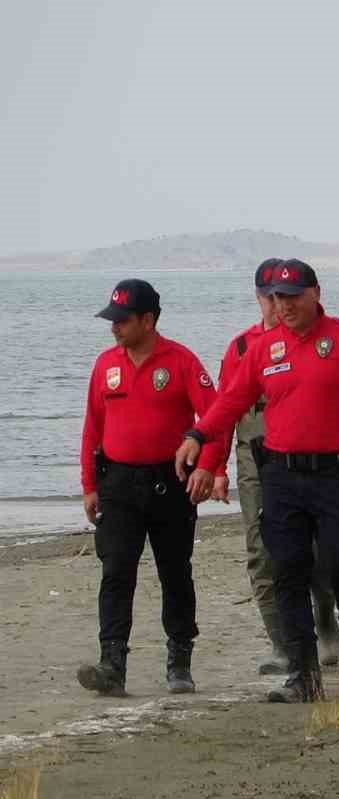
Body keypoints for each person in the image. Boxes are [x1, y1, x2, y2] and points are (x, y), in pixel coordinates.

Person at [177, 259, 339, 703]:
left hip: (336, 475)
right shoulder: (263, 349)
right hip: (280, 476)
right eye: (277, 298)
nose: (284, 306)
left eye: (293, 296)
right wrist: (198, 436)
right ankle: (303, 676)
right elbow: (231, 401)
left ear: (315, 292)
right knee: (287, 572)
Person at [77, 279, 223, 697]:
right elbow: (92, 428)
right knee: (116, 572)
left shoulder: (181, 361)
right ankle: (112, 664)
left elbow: (215, 418)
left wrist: (210, 468)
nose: (114, 327)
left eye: (122, 320)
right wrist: (89, 485)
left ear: (148, 320)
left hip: (170, 484)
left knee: (174, 572)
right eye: (112, 320)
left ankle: (180, 660)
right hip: (117, 485)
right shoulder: (105, 364)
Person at [214, 259, 339, 674]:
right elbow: (223, 411)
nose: (277, 304)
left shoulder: (318, 340)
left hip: (307, 456)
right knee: (261, 551)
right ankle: (283, 644)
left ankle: (325, 615)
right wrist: (216, 467)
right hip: (254, 457)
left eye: (283, 296)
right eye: (269, 297)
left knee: (317, 551)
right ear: (258, 298)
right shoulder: (240, 349)